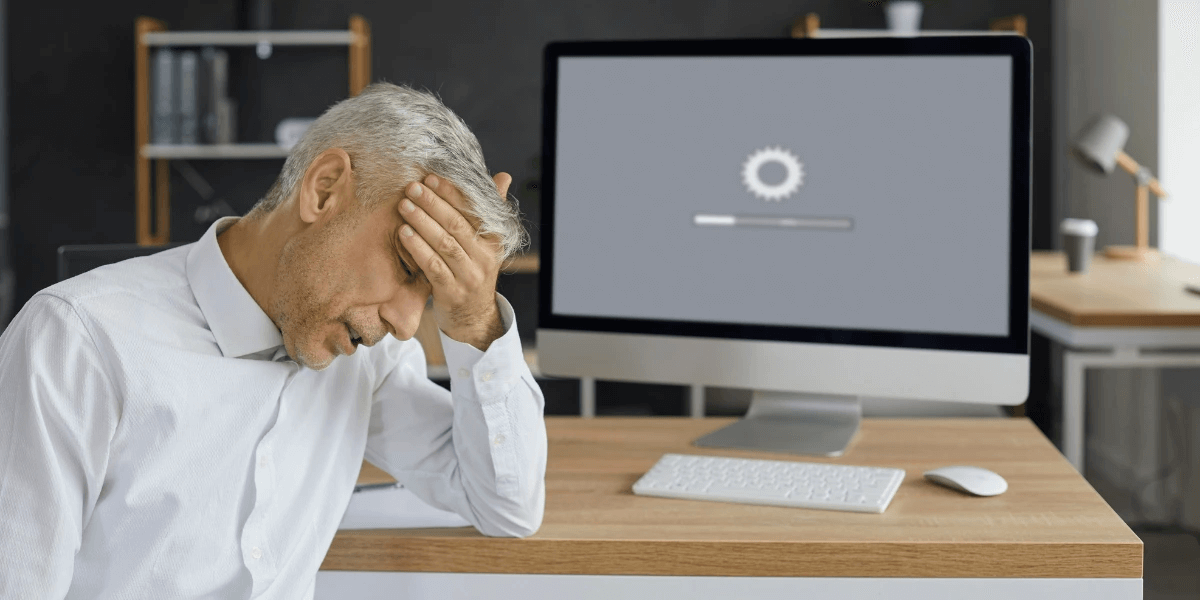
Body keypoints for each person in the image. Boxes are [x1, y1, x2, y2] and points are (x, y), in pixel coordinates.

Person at [0, 83, 547, 598]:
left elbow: (505, 504)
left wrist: (475, 318)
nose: (406, 324)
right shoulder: (74, 342)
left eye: (428, 295)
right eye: (406, 265)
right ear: (324, 188)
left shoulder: (368, 357)